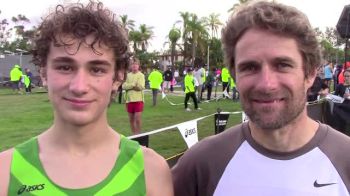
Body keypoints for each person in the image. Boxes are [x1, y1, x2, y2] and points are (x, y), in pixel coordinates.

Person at [172, 1, 350, 195]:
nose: (266, 84)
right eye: (249, 67)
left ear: (310, 74)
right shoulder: (200, 166)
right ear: (234, 77)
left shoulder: (345, 160)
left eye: (282, 65)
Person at [0, 1, 173, 195]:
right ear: (43, 73)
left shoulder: (151, 171)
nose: (79, 87)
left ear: (117, 77)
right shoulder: (5, 173)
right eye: (65, 67)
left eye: (97, 69)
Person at [122, 58, 145, 135]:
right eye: (132, 64)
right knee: (131, 120)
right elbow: (124, 86)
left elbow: (140, 87)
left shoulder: (141, 75)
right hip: (129, 100)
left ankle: (139, 134)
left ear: (138, 66)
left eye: (136, 64)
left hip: (138, 100)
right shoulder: (127, 75)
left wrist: (130, 86)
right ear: (130, 66)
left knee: (137, 119)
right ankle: (134, 135)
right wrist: (133, 85)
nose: (134, 66)